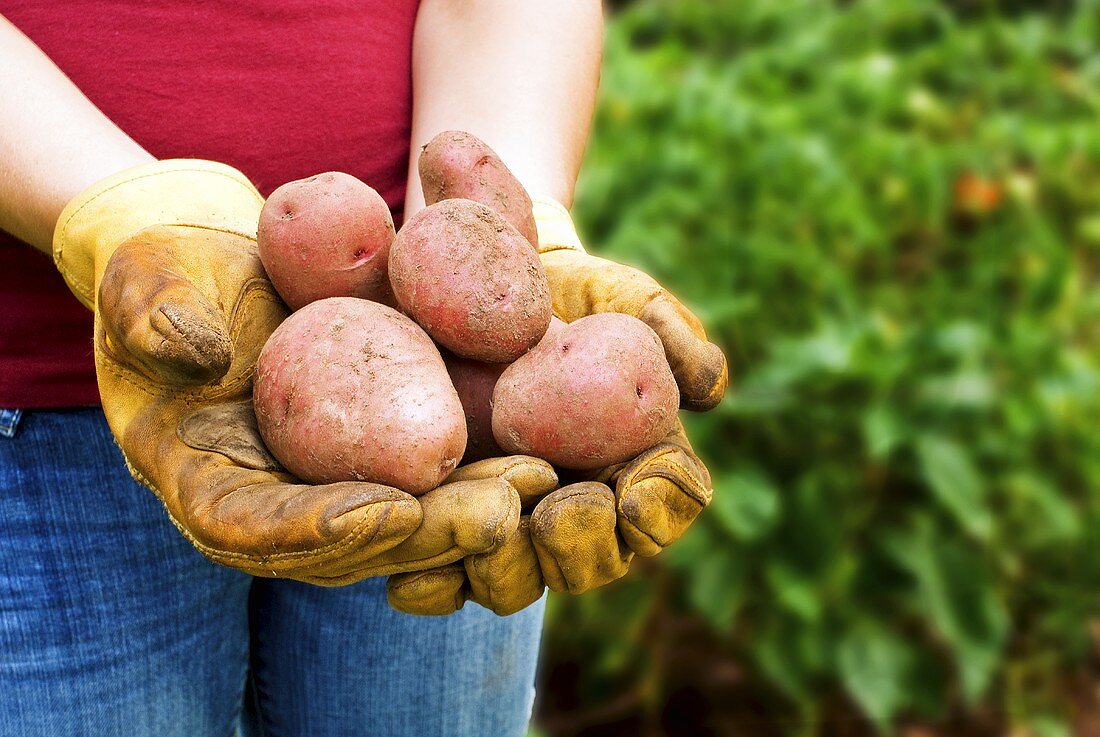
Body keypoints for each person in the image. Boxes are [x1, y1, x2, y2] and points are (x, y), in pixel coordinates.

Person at [0, 1, 726, 735]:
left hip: (445, 412)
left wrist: (504, 214)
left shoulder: (465, 365)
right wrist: (129, 214)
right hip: (38, 394)